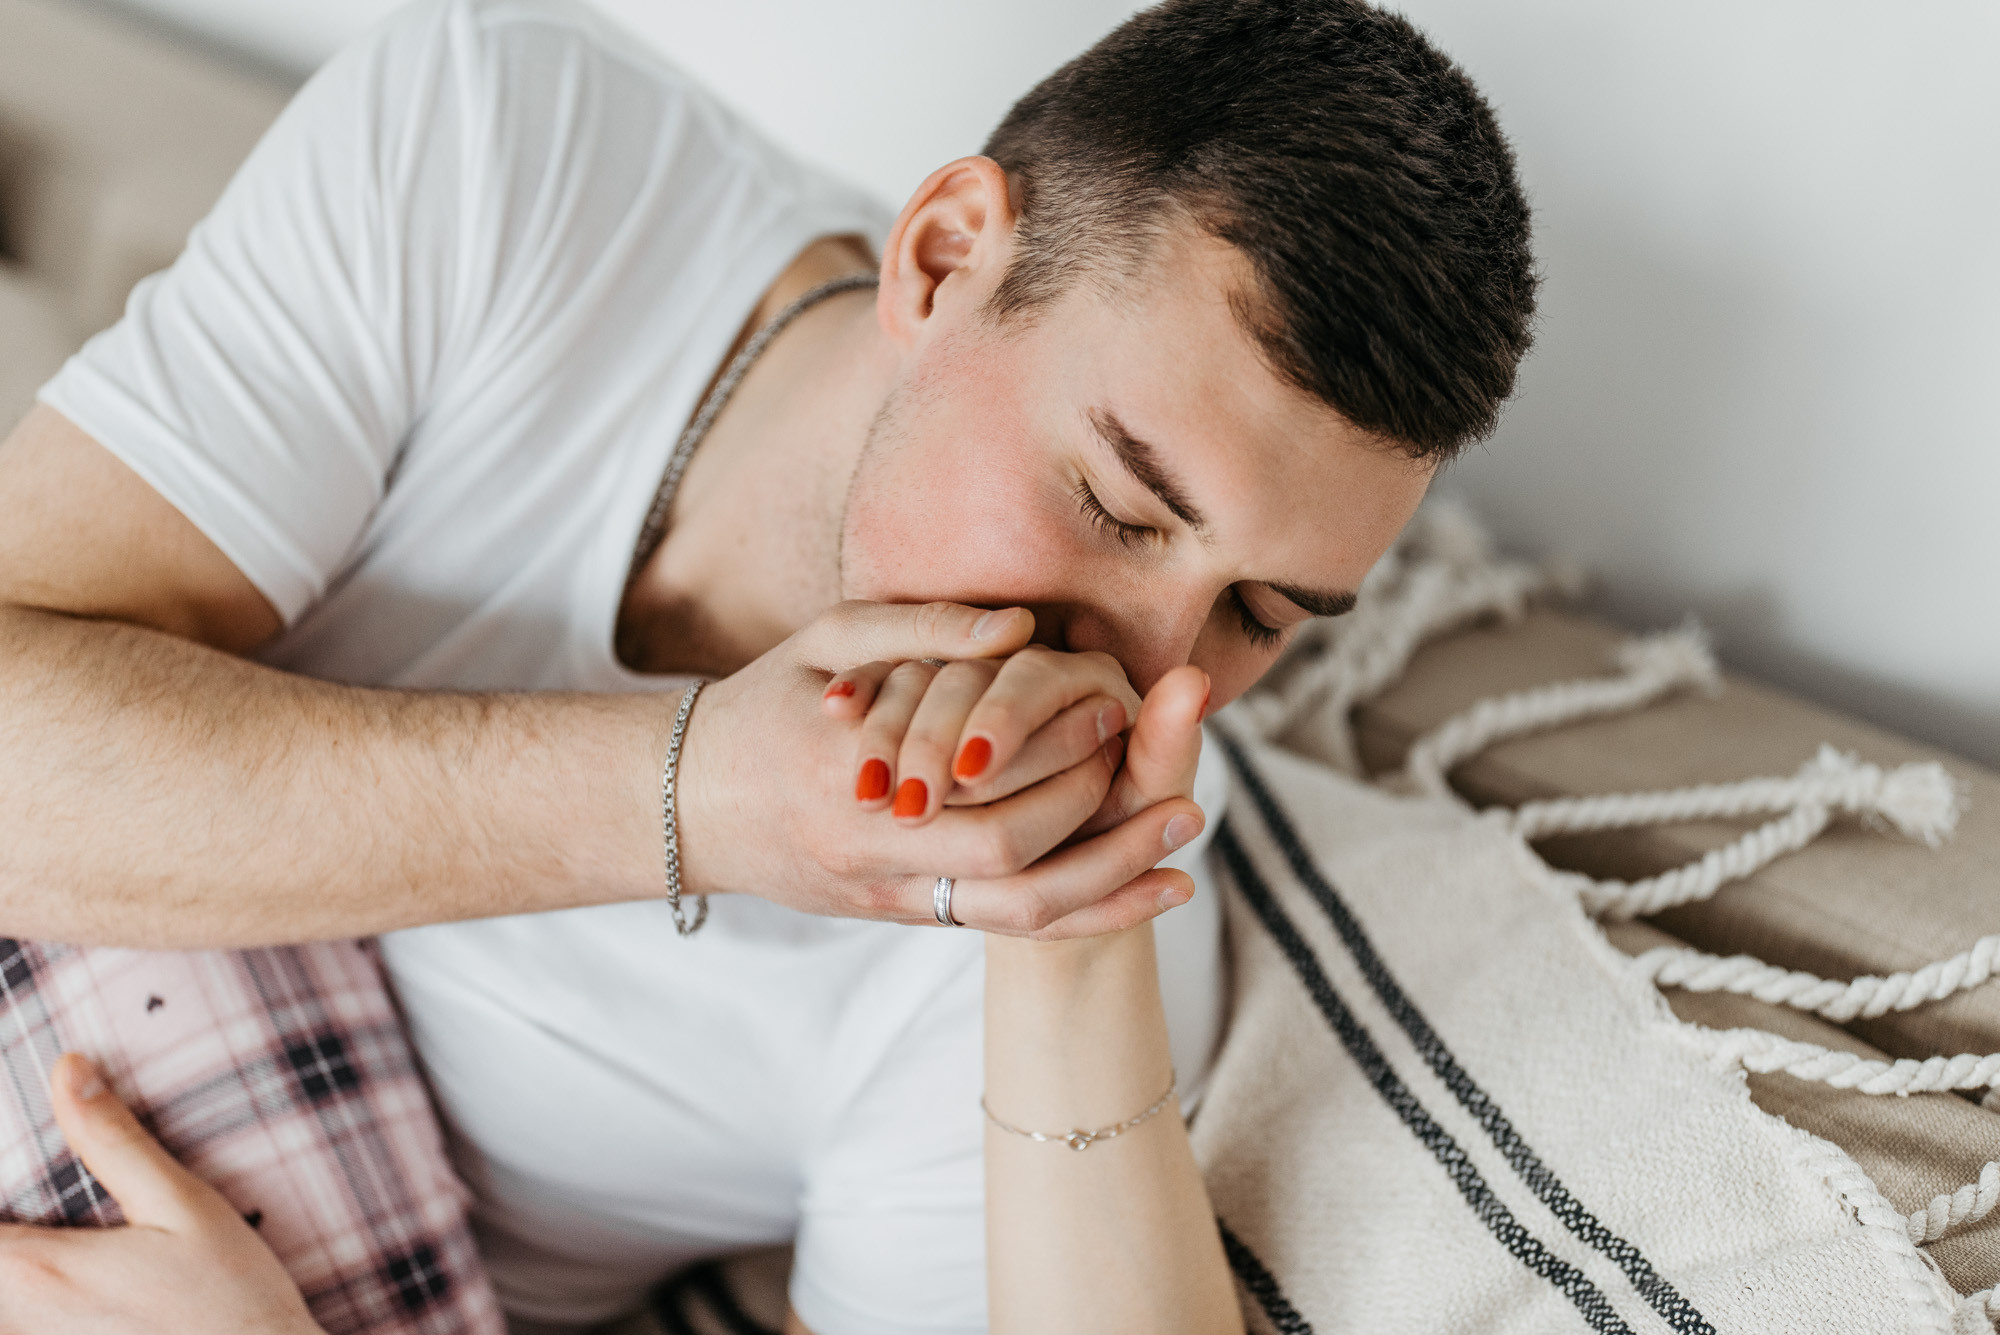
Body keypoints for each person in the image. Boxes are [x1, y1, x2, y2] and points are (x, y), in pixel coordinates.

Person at [0, 0, 1534, 1330]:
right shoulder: (509, 162)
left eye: (1257, 613)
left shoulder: (1044, 949)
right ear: (941, 262)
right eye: (1117, 506)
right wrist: (700, 794)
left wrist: (1064, 952)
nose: (1146, 672)